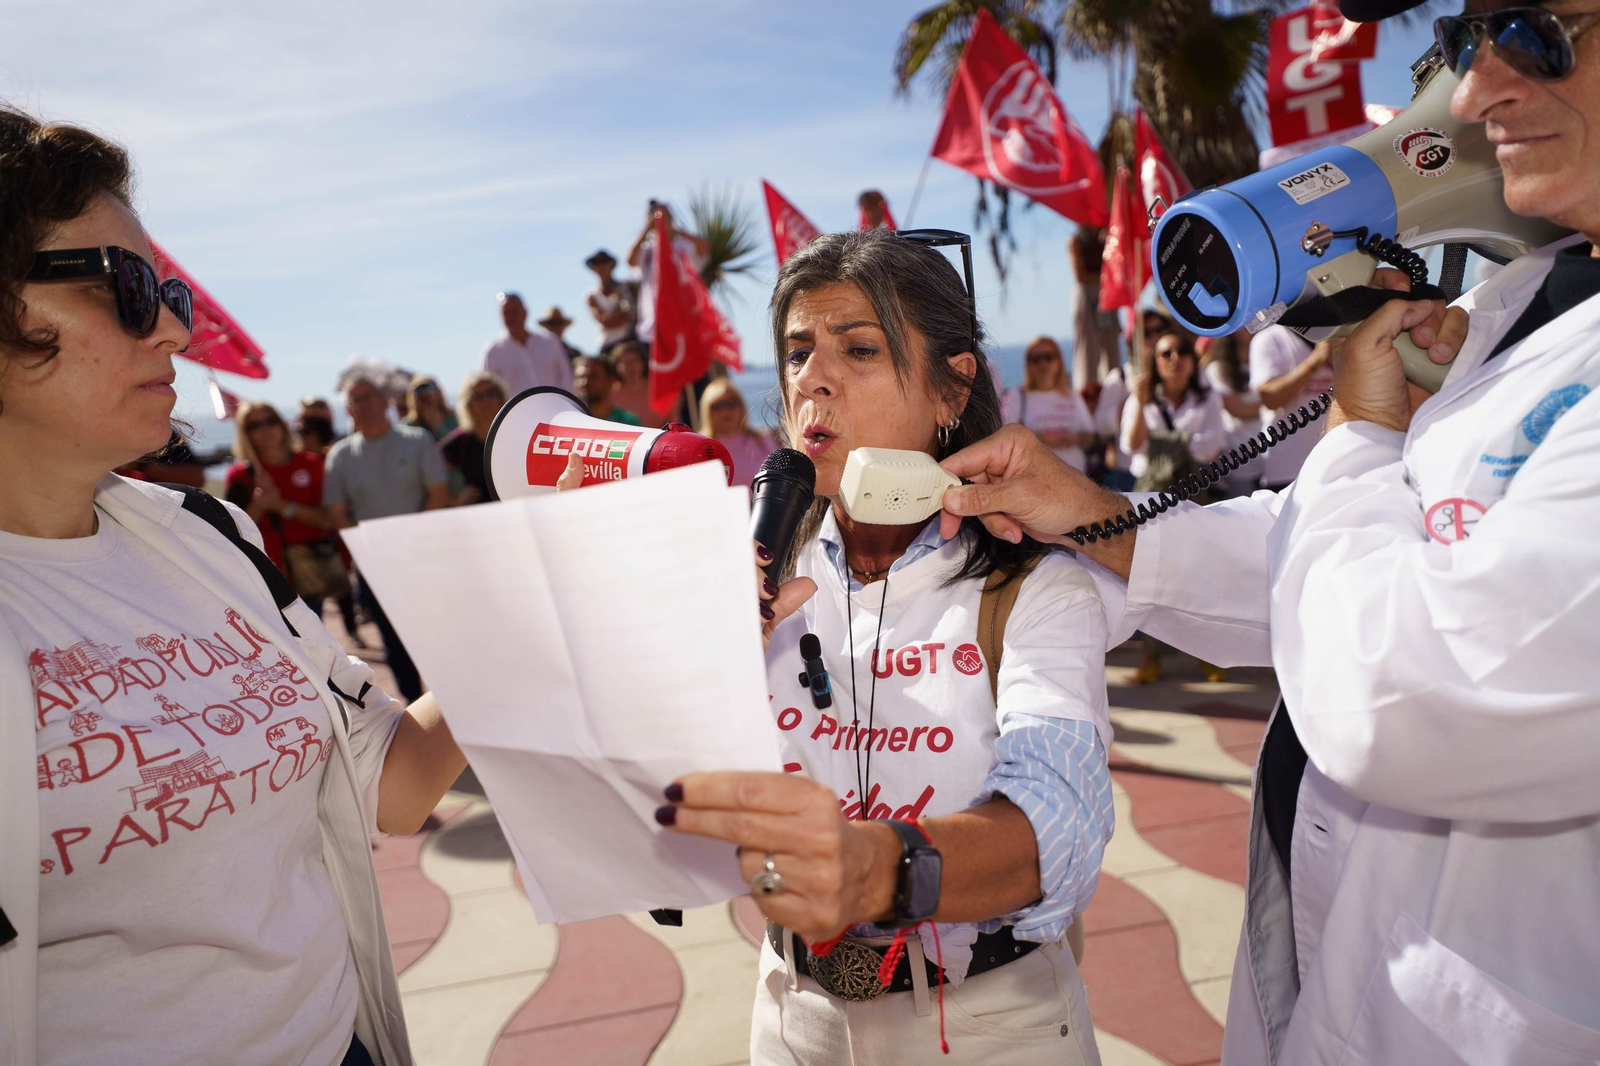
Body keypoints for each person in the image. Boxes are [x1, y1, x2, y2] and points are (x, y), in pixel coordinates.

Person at [936, 5, 1600, 1058]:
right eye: (1472, 46)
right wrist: (1088, 512)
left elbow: (1397, 689)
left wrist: (1356, 434)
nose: (1473, 97)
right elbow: (1326, 565)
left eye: (1543, 34)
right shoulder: (1533, 299)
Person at [0, 103, 465, 1066]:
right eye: (125, 285)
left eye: (168, 287)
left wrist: (571, 603)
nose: (175, 327)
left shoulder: (209, 536)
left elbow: (394, 784)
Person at [654, 230, 1112, 1065]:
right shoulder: (739, 568)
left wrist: (878, 868)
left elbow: (1062, 823)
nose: (812, 380)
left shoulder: (1035, 585)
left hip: (992, 1027)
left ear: (951, 388)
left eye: (858, 348)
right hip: (792, 1013)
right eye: (797, 352)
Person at [324, 371, 451, 703]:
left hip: (424, 559)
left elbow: (438, 492)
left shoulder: (417, 440)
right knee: (395, 644)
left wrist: (407, 541)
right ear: (348, 410)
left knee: (439, 638)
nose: (364, 405)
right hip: (375, 566)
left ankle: (454, 706)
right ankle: (419, 714)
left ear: (386, 402)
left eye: (369, 397)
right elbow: (338, 512)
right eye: (356, 400)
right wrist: (371, 550)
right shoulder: (340, 455)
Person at [1119, 330, 1227, 684]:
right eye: (1166, 354)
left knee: (1202, 576)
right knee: (1153, 580)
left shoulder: (1207, 398)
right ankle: (1151, 655)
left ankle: (1209, 654)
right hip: (1151, 500)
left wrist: (1164, 445)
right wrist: (1140, 402)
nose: (1175, 359)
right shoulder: (1142, 398)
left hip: (1194, 498)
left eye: (1182, 351)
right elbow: (1130, 445)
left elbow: (1212, 447)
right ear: (1156, 361)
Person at [224, 401, 348, 611]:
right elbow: (233, 531)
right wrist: (260, 504)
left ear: (281, 424)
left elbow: (328, 519)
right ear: (246, 434)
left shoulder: (310, 464)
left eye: (269, 421)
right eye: (255, 426)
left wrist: (281, 505)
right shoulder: (240, 475)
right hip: (265, 575)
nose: (265, 429)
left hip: (309, 568)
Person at [1247, 325, 1333, 490]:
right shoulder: (1269, 339)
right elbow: (1270, 399)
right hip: (1287, 471)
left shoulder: (1336, 334)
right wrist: (1315, 361)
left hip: (1332, 467)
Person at [1000, 336, 1097, 472]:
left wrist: (1075, 438)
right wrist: (1039, 439)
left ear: (1059, 361)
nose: (1042, 363)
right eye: (1036, 358)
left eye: (1048, 357)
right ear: (1028, 364)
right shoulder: (1017, 396)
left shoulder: (1072, 396)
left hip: (1075, 479)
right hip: (1032, 478)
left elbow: (1090, 436)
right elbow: (1003, 436)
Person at [627, 201, 709, 351]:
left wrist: (674, 230)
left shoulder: (683, 246)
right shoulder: (648, 250)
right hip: (652, 328)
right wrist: (648, 228)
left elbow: (704, 248)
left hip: (683, 324)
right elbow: (630, 260)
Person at [1199, 332, 1265, 496]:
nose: (1249, 329)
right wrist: (1276, 400)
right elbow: (1237, 409)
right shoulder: (1217, 369)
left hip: (1272, 460)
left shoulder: (1266, 359)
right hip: (1240, 462)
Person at [480, 291, 573, 399]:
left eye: (514, 311)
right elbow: (490, 392)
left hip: (556, 410)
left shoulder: (550, 342)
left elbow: (566, 380)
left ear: (525, 312)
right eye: (506, 313)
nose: (511, 317)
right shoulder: (492, 352)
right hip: (518, 415)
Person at [440, 371, 506, 506]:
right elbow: (430, 470)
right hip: (478, 517)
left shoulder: (514, 433)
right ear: (468, 403)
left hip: (516, 512)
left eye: (490, 394)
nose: (485, 401)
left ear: (500, 396)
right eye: (478, 396)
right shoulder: (462, 440)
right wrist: (454, 499)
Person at [1068, 229, 1120, 389]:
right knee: (1087, 346)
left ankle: (1114, 386)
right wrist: (1106, 276)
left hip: (1106, 294)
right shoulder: (1075, 241)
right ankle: (1086, 388)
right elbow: (1080, 276)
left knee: (1110, 342)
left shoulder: (1108, 236)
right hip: (1088, 296)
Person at [697, 378, 771, 487]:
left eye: (730, 403)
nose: (725, 411)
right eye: (717, 406)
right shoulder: (700, 447)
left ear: (741, 405)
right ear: (707, 410)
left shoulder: (761, 440)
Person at [608, 339, 671, 429]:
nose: (632, 366)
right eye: (627, 362)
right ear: (616, 366)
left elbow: (674, 423)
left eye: (636, 361)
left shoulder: (662, 390)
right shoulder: (609, 394)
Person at [584, 249, 636, 355]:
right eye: (596, 263)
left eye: (603, 262)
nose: (600, 267)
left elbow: (630, 313)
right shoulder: (591, 295)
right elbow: (602, 319)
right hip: (606, 344)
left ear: (611, 265)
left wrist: (620, 316)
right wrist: (619, 314)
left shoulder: (625, 287)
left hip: (629, 341)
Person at [572, 354, 641, 426]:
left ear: (611, 381)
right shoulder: (567, 419)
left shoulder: (628, 423)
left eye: (594, 376)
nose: (585, 382)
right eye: (580, 377)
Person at [403, 375, 458, 442]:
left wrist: (438, 426)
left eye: (430, 387)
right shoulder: (407, 426)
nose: (425, 393)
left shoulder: (454, 418)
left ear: (438, 392)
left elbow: (458, 447)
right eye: (419, 390)